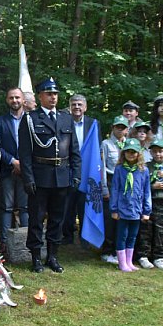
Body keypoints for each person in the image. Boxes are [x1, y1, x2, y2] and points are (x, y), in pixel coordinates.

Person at [19, 78, 81, 274]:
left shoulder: (66, 118)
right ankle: (36, 257)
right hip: (40, 176)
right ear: (40, 96)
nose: (53, 97)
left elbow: (74, 150)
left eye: (55, 94)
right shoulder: (30, 119)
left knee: (57, 219)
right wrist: (28, 178)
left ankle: (53, 256)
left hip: (61, 176)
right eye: (49, 94)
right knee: (36, 219)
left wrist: (76, 174)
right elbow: (25, 153)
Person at [0, 88, 29, 249]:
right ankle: (6, 242)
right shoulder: (1, 121)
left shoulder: (31, 120)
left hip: (27, 171)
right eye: (11, 98)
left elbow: (36, 145)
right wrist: (13, 162)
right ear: (7, 100)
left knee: (25, 207)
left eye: (17, 97)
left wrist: (23, 164)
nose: (15, 100)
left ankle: (27, 242)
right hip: (7, 170)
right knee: (6, 207)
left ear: (23, 100)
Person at [109, 138, 151, 272]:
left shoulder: (144, 170)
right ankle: (122, 263)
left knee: (133, 235)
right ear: (124, 153)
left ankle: (129, 261)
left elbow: (147, 191)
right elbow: (115, 189)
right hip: (122, 208)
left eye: (134, 152)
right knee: (122, 235)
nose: (131, 154)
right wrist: (114, 209)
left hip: (136, 209)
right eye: (128, 152)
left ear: (139, 153)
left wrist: (146, 211)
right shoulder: (119, 169)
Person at [62, 94, 99, 245]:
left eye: (79, 104)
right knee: (67, 205)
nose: (77, 107)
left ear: (85, 107)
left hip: (88, 170)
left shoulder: (93, 124)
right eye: (74, 104)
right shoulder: (63, 122)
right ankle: (67, 236)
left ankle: (85, 238)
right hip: (68, 169)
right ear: (69, 107)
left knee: (85, 204)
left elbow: (97, 148)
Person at [136, 138, 163, 270]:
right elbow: (140, 186)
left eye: (160, 151)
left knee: (161, 231)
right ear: (151, 153)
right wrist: (152, 186)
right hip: (149, 202)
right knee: (146, 230)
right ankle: (143, 255)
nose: (158, 154)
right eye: (154, 151)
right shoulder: (146, 167)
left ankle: (158, 257)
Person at [100, 115, 130, 264]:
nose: (120, 130)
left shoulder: (129, 144)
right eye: (118, 127)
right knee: (110, 218)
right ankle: (107, 250)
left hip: (126, 183)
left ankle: (120, 250)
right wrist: (104, 188)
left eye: (123, 127)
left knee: (123, 218)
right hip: (111, 181)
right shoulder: (106, 144)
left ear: (127, 130)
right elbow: (102, 167)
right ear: (113, 128)